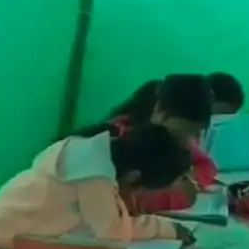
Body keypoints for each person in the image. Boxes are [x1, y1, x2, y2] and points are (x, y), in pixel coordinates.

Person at [0, 124, 195, 249]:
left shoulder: (87, 150)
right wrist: (166, 228)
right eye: (141, 189)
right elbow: (112, 232)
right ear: (134, 176)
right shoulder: (94, 176)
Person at [81, 74, 215, 212]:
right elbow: (112, 202)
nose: (191, 141)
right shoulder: (115, 139)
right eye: (186, 131)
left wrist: (191, 179)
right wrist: (174, 195)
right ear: (160, 113)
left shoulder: (178, 139)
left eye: (196, 133)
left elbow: (205, 165)